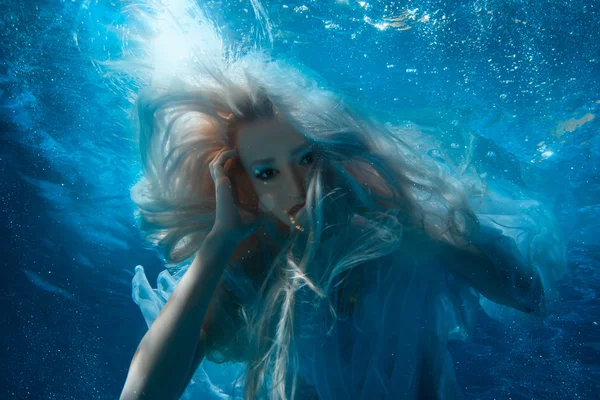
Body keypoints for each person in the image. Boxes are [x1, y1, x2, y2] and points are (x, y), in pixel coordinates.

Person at [114, 3, 567, 400]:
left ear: (330, 153)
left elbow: (530, 297)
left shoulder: (392, 224)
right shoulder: (251, 265)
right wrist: (218, 244)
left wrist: (424, 238)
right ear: (242, 184)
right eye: (267, 172)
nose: (295, 187)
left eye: (306, 159)